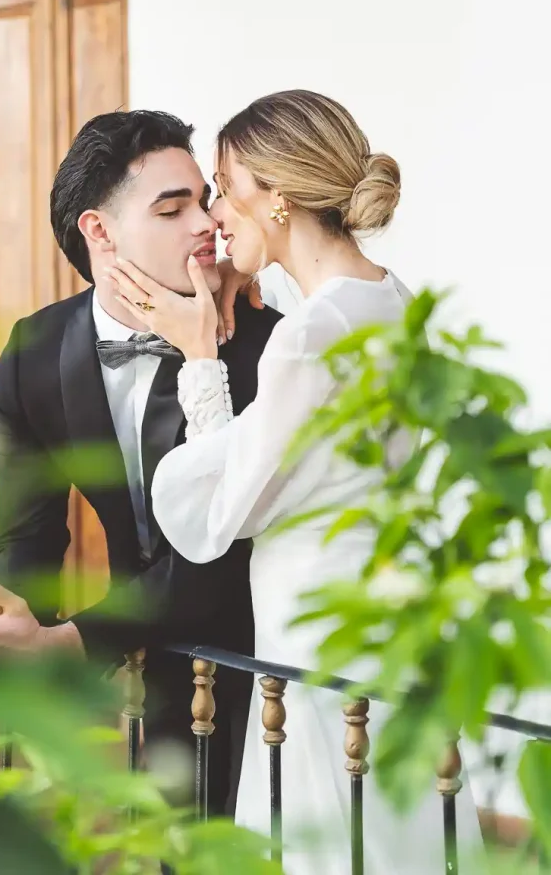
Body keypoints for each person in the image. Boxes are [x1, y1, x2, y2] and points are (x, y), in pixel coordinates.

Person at [103, 90, 486, 873]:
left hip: (316, 641)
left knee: (326, 842)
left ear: (275, 197)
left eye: (221, 185)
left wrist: (201, 354)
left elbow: (225, 510)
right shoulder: (389, 301)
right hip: (388, 629)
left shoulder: (308, 337)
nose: (213, 212)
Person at [0, 109, 281, 820]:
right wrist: (11, 629)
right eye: (173, 207)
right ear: (99, 232)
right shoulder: (35, 351)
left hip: (269, 665)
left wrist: (71, 642)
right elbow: (28, 534)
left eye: (202, 199)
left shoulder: (259, 345)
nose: (207, 223)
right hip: (149, 663)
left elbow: (222, 548)